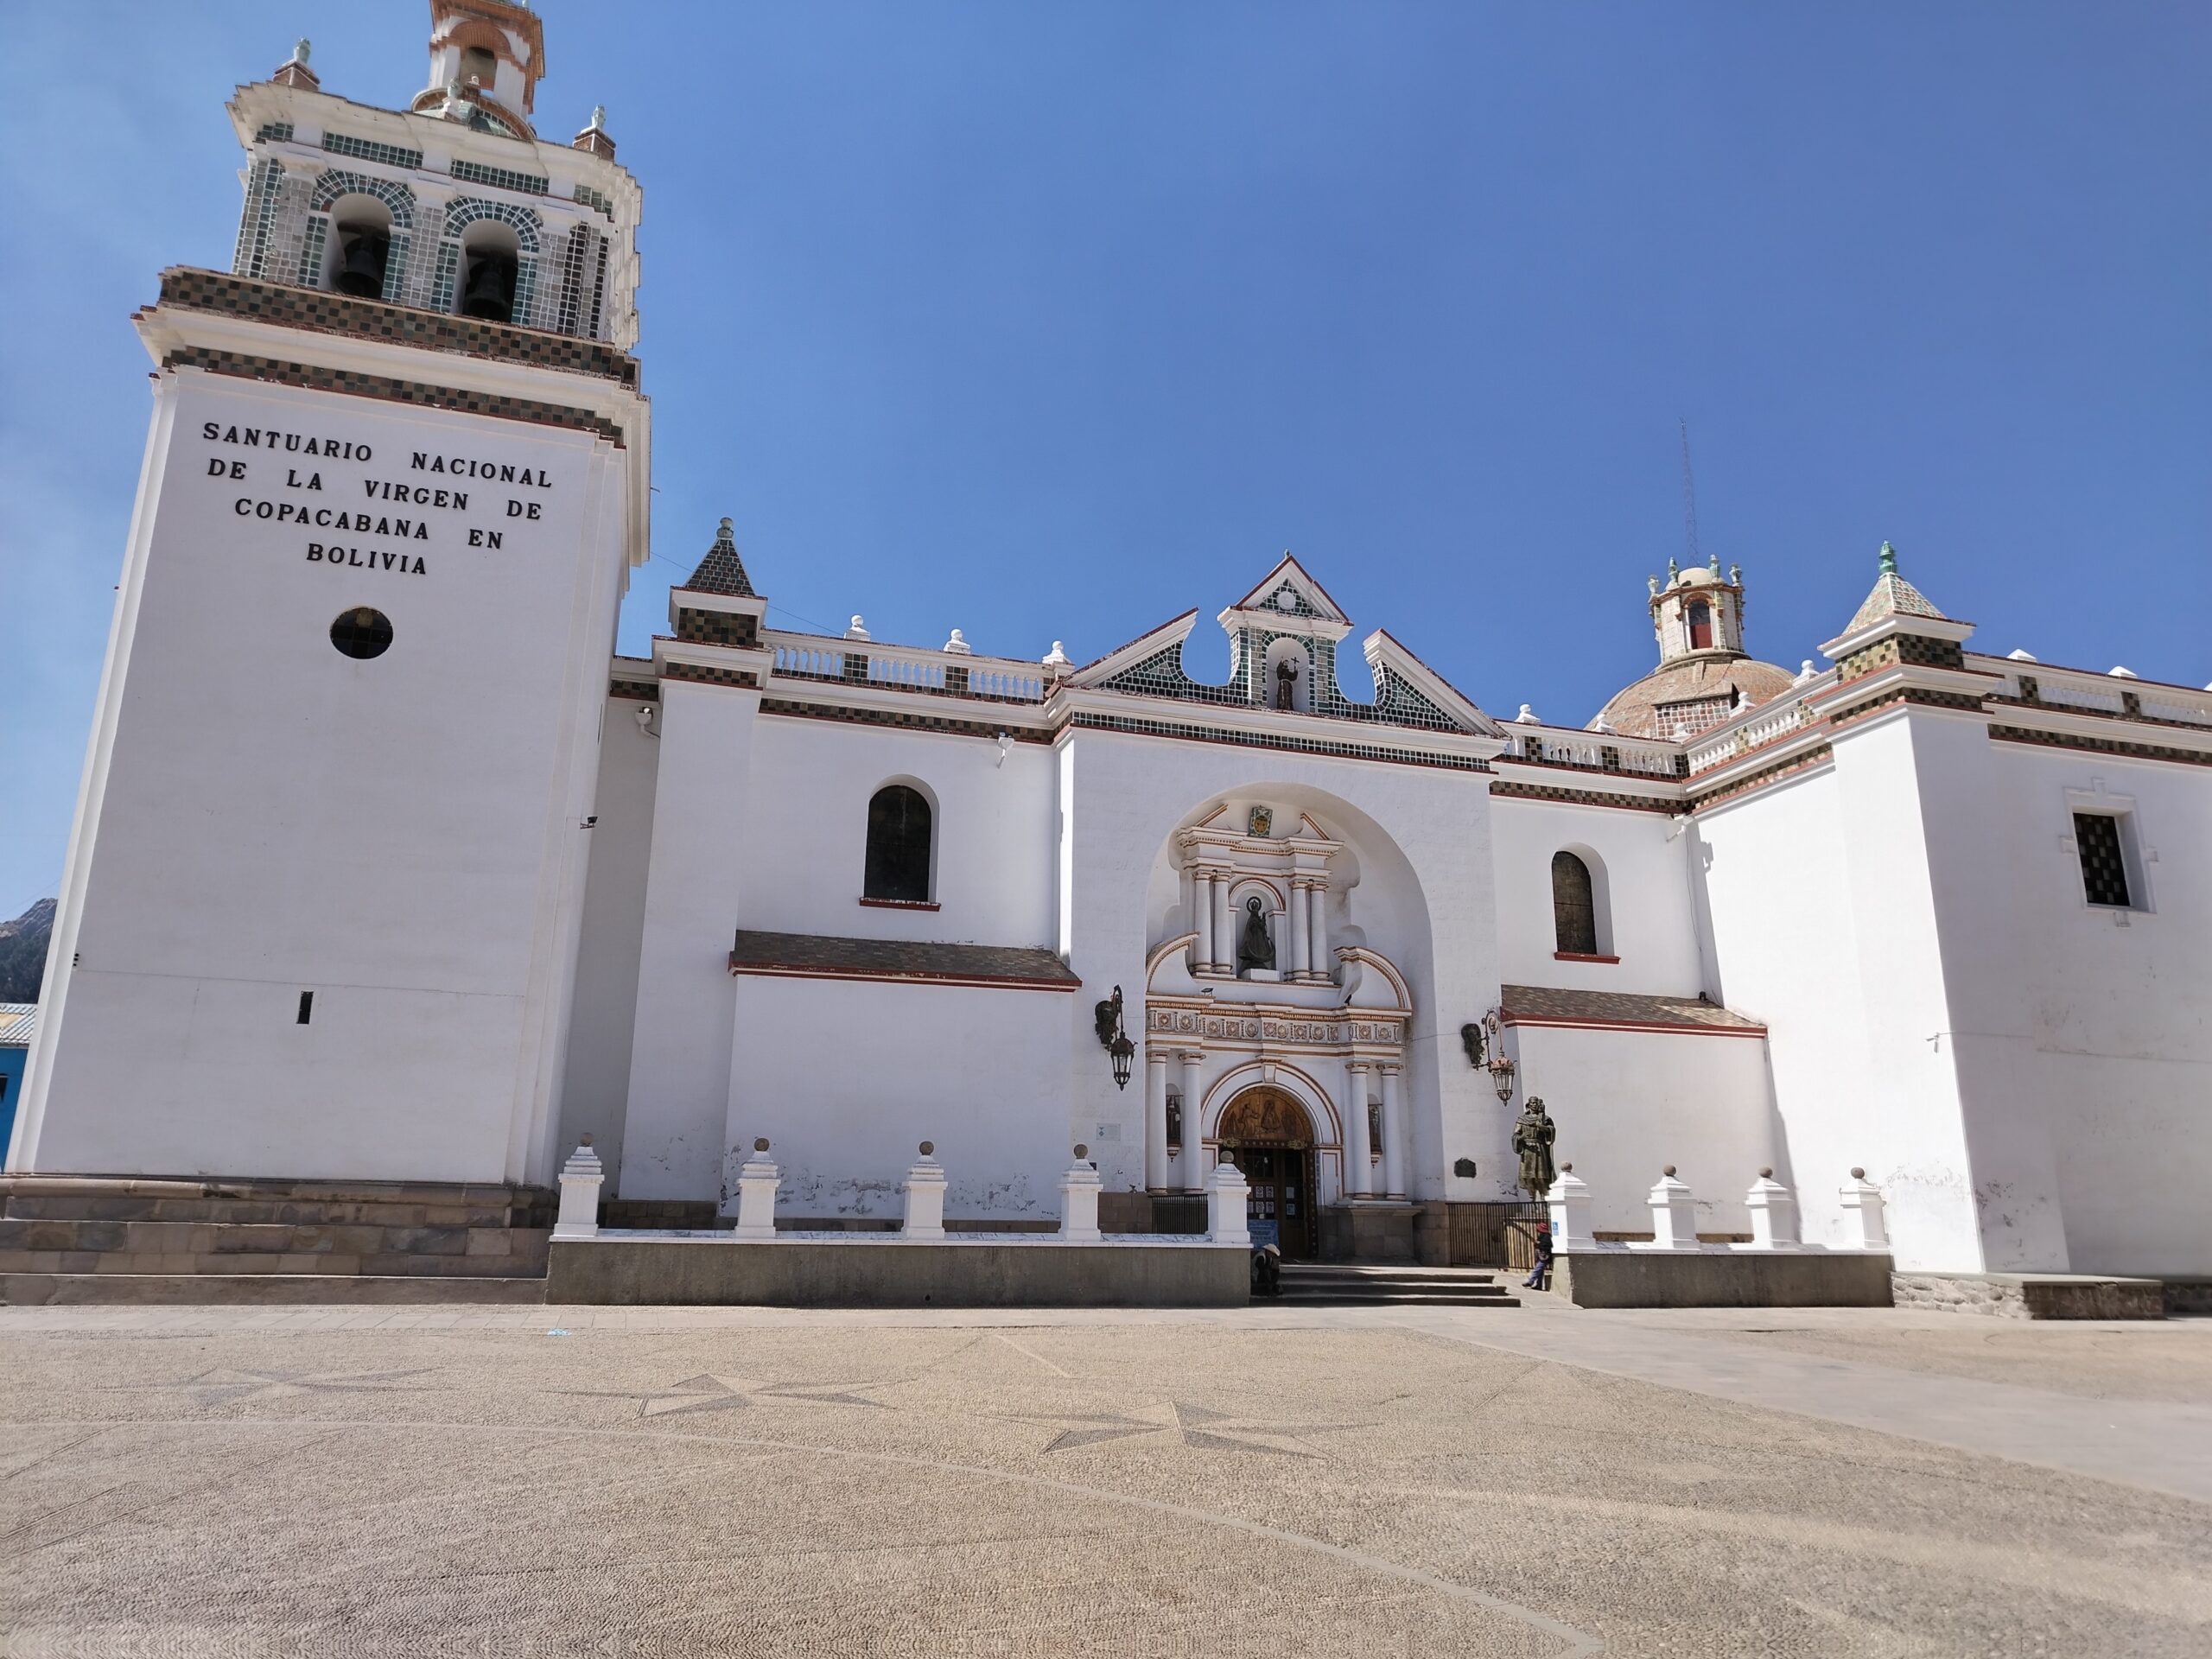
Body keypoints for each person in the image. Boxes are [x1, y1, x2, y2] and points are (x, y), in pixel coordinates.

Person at [1522, 1220, 1553, 1291]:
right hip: (1540, 1255)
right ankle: (1539, 1285)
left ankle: (1530, 1281)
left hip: (1544, 1256)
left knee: (1537, 1269)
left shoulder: (1546, 1237)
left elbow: (1547, 1246)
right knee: (1540, 1271)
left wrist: (1539, 1244)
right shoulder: (1542, 1236)